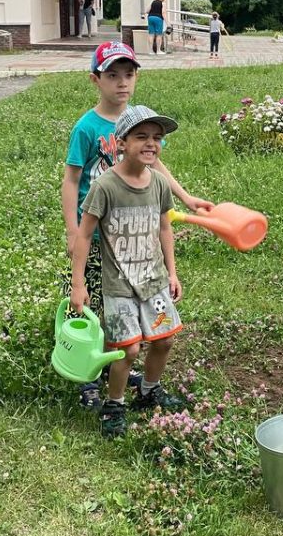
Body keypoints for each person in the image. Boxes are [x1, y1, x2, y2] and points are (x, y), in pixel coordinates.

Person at [61, 40, 211, 410]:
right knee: (93, 305)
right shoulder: (87, 126)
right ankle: (89, 377)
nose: (122, 83)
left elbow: (156, 169)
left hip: (134, 234)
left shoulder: (142, 126)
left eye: (129, 75)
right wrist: (71, 228)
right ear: (96, 80)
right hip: (95, 232)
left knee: (124, 309)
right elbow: (70, 178)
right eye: (113, 75)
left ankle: (130, 375)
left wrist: (187, 198)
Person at [71, 105, 185, 438]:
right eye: (141, 137)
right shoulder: (106, 186)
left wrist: (172, 272)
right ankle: (114, 405)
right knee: (128, 350)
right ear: (121, 143)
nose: (151, 144)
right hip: (119, 286)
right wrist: (79, 285)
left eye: (157, 138)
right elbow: (84, 234)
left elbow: (165, 228)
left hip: (154, 283)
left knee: (163, 341)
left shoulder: (160, 184)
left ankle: (149, 391)